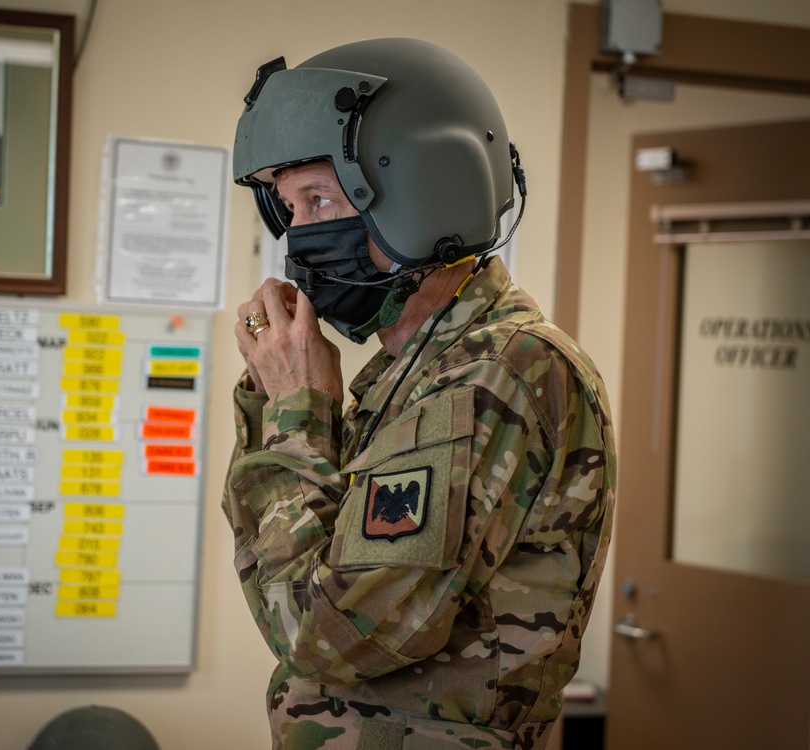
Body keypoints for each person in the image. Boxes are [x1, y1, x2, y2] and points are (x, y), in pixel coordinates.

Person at [222, 38, 615, 750]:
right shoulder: (406, 372)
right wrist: (276, 401)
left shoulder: (500, 370)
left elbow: (326, 636)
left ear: (428, 192)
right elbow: (278, 582)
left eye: (319, 200)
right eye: (289, 209)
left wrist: (294, 417)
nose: (299, 240)